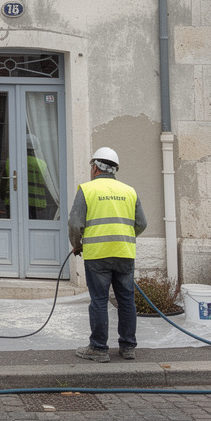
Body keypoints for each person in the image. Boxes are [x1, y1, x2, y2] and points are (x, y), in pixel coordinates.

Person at [69, 146, 147, 362]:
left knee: (99, 301)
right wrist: (124, 237)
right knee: (126, 301)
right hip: (124, 253)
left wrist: (77, 245)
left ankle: (99, 348)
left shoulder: (87, 190)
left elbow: (75, 224)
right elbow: (141, 223)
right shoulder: (129, 191)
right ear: (114, 169)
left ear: (95, 168)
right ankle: (128, 347)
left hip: (98, 256)